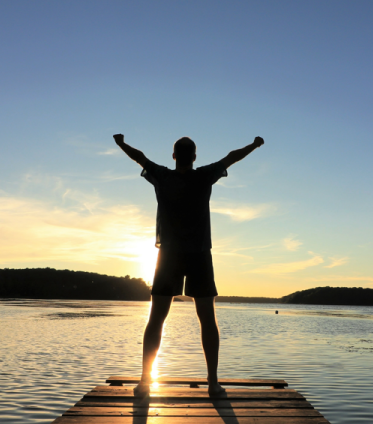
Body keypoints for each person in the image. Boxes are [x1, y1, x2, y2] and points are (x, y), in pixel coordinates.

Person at [113, 133, 264, 396]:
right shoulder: (203, 175)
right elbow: (232, 157)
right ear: (194, 157)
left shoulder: (163, 176)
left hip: (170, 255)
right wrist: (254, 145)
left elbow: (140, 158)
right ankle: (213, 383)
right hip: (198, 254)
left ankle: (145, 382)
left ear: (174, 156)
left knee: (157, 318)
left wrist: (121, 143)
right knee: (207, 319)